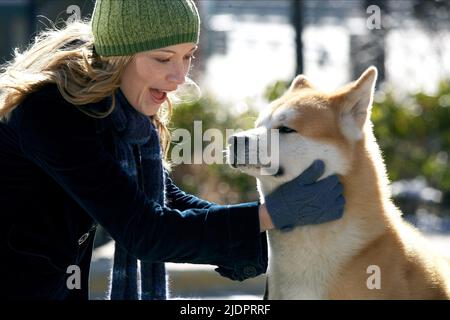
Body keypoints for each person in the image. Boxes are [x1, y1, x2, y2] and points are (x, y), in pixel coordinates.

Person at [0, 0, 345, 300]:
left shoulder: (119, 111)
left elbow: (163, 202)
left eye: (187, 57)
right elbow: (145, 230)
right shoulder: (52, 113)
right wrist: (272, 214)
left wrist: (269, 227)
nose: (179, 77)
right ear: (121, 55)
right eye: (163, 58)